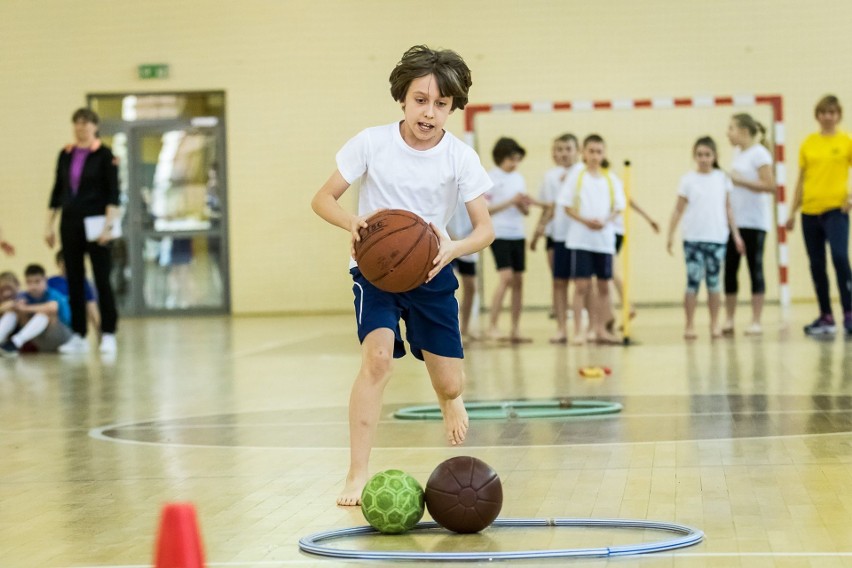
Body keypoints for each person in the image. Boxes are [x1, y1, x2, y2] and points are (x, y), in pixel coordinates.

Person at [310, 45, 494, 506]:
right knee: (377, 360)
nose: (428, 113)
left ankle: (450, 398)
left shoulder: (460, 157)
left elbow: (485, 229)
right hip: (375, 272)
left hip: (432, 270)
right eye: (420, 100)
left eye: (440, 104)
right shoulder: (372, 143)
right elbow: (323, 199)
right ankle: (356, 473)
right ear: (402, 98)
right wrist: (351, 222)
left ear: (453, 107)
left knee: (450, 382)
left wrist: (454, 247)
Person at [45, 108, 120, 354]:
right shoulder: (65, 154)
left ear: (95, 126)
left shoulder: (105, 155)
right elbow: (57, 191)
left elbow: (113, 195)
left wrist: (108, 228)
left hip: (98, 224)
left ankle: (107, 332)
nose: (81, 127)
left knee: (101, 278)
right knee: (74, 278)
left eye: (86, 123)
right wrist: (49, 225)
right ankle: (79, 334)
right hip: (71, 222)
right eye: (77, 123)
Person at [786, 95, 852, 336]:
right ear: (818, 115)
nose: (828, 117)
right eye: (823, 112)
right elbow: (801, 180)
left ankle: (849, 312)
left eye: (832, 112)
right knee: (816, 264)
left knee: (840, 257)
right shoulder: (808, 143)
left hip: (836, 211)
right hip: (809, 212)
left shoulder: (846, 141)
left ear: (838, 115)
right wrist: (792, 212)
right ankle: (826, 316)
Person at [667, 137, 744, 340]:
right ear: (694, 156)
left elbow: (728, 208)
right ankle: (690, 324)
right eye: (700, 155)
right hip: (693, 238)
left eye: (707, 155)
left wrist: (736, 235)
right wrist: (670, 234)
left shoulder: (722, 178)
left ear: (714, 156)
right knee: (692, 282)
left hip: (717, 238)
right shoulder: (687, 180)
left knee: (713, 283)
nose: (703, 159)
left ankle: (714, 324)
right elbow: (678, 209)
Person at [558, 134, 626, 345]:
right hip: (581, 240)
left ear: (604, 154)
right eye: (591, 151)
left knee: (604, 286)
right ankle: (578, 330)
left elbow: (618, 207)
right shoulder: (577, 177)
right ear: (583, 153)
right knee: (581, 286)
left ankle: (600, 329)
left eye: (599, 151)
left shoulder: (611, 179)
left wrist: (605, 221)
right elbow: (567, 206)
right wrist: (586, 221)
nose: (595, 156)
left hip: (604, 242)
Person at [722, 113, 776, 336]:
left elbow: (769, 185)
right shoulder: (737, 153)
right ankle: (730, 319)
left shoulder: (760, 154)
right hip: (735, 222)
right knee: (730, 270)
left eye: (731, 128)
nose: (728, 132)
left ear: (744, 131)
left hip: (754, 222)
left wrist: (739, 181)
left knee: (755, 268)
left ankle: (756, 320)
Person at [485, 137, 535, 342]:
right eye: (511, 159)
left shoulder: (519, 178)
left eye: (517, 160)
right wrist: (510, 201)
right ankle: (492, 326)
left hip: (517, 234)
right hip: (500, 234)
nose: (514, 164)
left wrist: (523, 205)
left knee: (518, 281)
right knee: (505, 278)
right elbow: (486, 209)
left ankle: (515, 328)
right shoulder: (491, 178)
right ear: (501, 157)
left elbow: (525, 212)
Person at [531, 133, 580, 343]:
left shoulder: (583, 173)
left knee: (583, 283)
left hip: (579, 236)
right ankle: (561, 328)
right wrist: (538, 231)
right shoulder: (550, 176)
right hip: (556, 235)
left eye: (568, 149)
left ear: (577, 151)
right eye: (559, 149)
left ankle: (583, 327)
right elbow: (548, 207)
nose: (563, 153)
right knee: (559, 282)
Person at [0, 264, 73, 357]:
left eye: (37, 282)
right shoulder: (24, 296)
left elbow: (52, 307)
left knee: (45, 313)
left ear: (45, 280)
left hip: (60, 337)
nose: (33, 286)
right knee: (12, 312)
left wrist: (24, 308)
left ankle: (15, 342)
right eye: (29, 282)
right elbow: (11, 306)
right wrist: (12, 306)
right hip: (40, 341)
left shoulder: (53, 294)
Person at [447, 198, 479, 341]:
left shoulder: (472, 191)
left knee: (471, 287)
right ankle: (449, 327)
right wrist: (452, 238)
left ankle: (465, 327)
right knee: (447, 286)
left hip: (467, 244)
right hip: (447, 242)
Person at [48, 249, 101, 334]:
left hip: (76, 316)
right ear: (58, 263)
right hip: (58, 319)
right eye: (64, 262)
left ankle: (101, 334)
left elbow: (91, 305)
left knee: (90, 303)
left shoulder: (82, 282)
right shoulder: (51, 282)